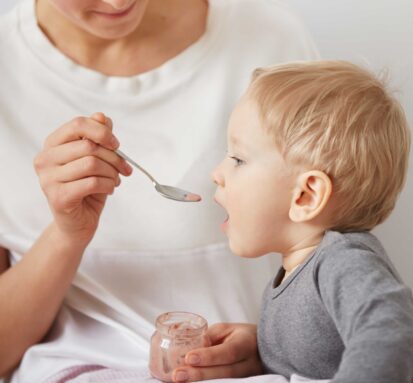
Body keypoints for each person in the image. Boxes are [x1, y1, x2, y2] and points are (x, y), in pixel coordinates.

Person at [0, 0, 319, 381]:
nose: (119, 3)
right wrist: (67, 235)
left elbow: (338, 273)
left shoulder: (270, 41)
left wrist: (274, 345)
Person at [211, 61, 413, 382]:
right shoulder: (301, 270)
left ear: (306, 196)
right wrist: (264, 346)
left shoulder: (344, 262)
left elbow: (394, 334)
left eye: (238, 159)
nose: (218, 173)